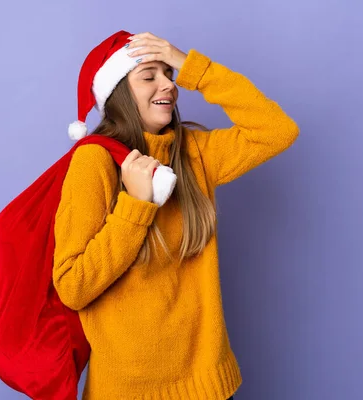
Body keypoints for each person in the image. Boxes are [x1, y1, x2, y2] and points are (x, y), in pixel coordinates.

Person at [53, 30, 299, 400]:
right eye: (149, 76)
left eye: (169, 73)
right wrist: (135, 208)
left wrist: (194, 68)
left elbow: (277, 130)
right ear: (118, 92)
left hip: (208, 385)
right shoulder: (94, 162)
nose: (168, 85)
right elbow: (73, 286)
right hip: (128, 390)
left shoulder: (195, 153)